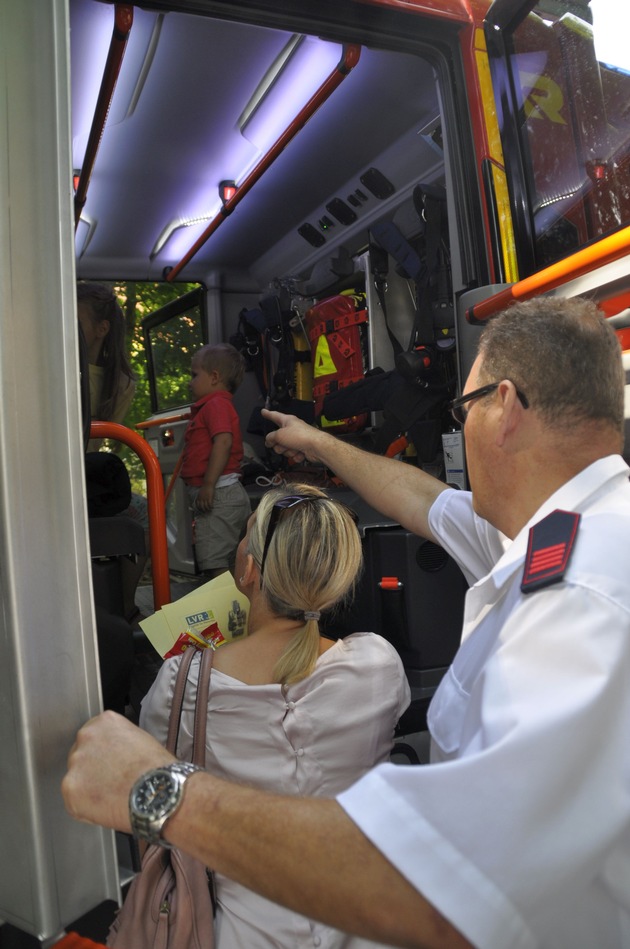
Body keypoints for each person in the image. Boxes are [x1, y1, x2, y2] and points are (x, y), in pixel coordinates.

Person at [63, 297, 630, 949]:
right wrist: (319, 443)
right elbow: (425, 500)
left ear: (504, 407)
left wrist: (157, 788)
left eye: (462, 411)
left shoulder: (582, 592)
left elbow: (446, 889)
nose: (461, 431)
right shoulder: (553, 537)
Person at [139, 482, 410, 948]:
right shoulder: (377, 667)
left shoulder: (182, 683)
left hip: (239, 933)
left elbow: (153, 786)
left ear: (247, 569)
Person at [181, 342, 251, 578]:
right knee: (224, 558)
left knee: (216, 564)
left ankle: (226, 611)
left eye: (194, 375)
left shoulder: (216, 405)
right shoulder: (210, 407)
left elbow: (223, 442)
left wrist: (208, 484)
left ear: (214, 377)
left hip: (219, 496)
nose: (190, 382)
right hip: (221, 496)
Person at [77, 282, 136, 453]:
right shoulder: (51, 368)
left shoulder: (121, 385)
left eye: (76, 323)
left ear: (102, 329)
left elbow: (91, 446)